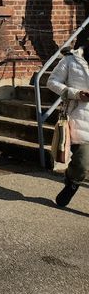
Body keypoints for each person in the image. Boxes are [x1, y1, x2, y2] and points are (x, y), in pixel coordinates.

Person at [47, 33, 89, 207]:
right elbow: (52, 82)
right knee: (81, 164)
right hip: (81, 119)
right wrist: (75, 94)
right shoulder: (71, 60)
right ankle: (72, 181)